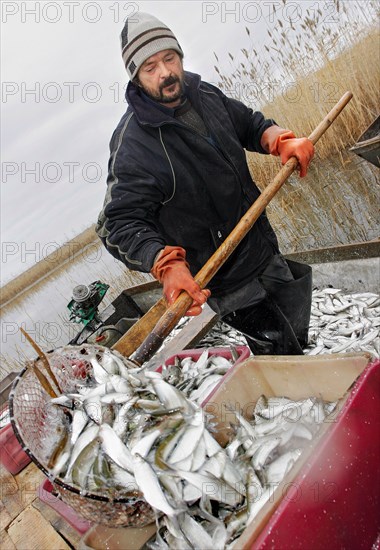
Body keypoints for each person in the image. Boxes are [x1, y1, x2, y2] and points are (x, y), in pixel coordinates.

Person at [96, 12, 314, 355]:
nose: (165, 72)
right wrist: (165, 263)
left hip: (260, 243)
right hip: (223, 275)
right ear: (136, 78)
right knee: (279, 349)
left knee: (297, 324)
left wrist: (279, 139)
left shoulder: (204, 93)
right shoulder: (132, 146)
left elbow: (249, 125)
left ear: (180, 56)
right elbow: (118, 224)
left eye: (169, 58)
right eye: (150, 67)